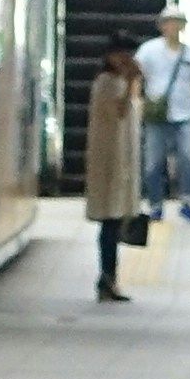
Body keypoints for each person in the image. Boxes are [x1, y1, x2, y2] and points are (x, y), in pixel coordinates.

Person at [81, 47, 150, 303]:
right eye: (122, 56)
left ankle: (109, 279)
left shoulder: (119, 81)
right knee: (110, 223)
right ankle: (106, 279)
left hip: (119, 162)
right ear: (109, 56)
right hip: (109, 163)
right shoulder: (106, 82)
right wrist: (132, 80)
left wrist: (133, 83)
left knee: (114, 222)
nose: (126, 61)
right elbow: (120, 112)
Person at [134, 12, 190, 221]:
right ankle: (156, 204)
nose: (173, 27)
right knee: (153, 163)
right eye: (169, 23)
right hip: (156, 116)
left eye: (177, 23)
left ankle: (187, 201)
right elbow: (137, 77)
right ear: (162, 26)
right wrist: (137, 101)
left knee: (189, 159)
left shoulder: (189, 54)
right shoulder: (149, 50)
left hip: (184, 115)